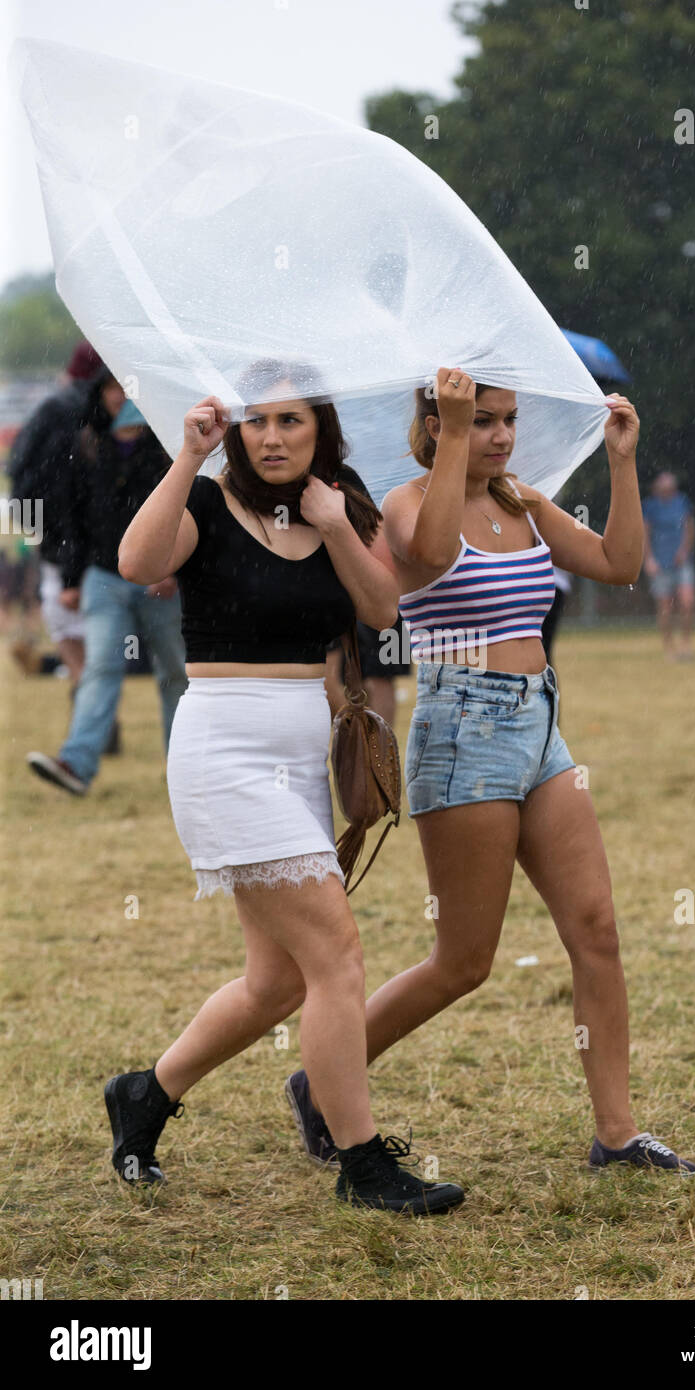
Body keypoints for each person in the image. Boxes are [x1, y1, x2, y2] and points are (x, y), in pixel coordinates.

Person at [286, 367, 695, 1178]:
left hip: (540, 723)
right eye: (480, 421)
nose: (502, 436)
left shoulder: (522, 500)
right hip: (461, 729)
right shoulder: (409, 503)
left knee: (597, 931)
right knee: (464, 961)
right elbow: (433, 556)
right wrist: (450, 440)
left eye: (507, 420)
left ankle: (616, 1138)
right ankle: (324, 1075)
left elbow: (621, 565)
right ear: (439, 422)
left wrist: (621, 462)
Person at [105, 361, 464, 1216]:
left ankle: (144, 1095)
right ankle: (363, 1164)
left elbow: (381, 613)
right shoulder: (205, 504)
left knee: (278, 983)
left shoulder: (334, 505)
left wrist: (339, 526)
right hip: (222, 751)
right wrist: (186, 459)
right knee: (337, 956)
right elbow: (134, 561)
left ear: (319, 430)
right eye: (257, 422)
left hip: (302, 756)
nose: (272, 438)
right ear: (235, 428)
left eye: (291, 422)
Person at [25, 396, 186, 795]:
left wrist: (171, 567)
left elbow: (185, 509)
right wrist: (71, 579)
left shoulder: (169, 449)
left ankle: (184, 767)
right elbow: (73, 517)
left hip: (158, 580)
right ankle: (76, 765)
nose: (120, 397)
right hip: (103, 577)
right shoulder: (88, 448)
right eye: (113, 387)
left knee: (176, 673)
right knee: (100, 667)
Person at [7, 341, 114, 689]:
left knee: (66, 618)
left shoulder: (57, 408)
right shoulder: (111, 408)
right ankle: (91, 696)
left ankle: (85, 689)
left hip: (62, 534)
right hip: (104, 537)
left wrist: (37, 531)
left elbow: (20, 470)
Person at [642, 471, 695, 659]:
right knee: (665, 607)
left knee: (687, 602)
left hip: (681, 562)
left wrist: (684, 551)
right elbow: (644, 534)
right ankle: (669, 647)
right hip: (660, 562)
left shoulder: (682, 502)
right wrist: (648, 559)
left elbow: (690, 529)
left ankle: (686, 645)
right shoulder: (650, 506)